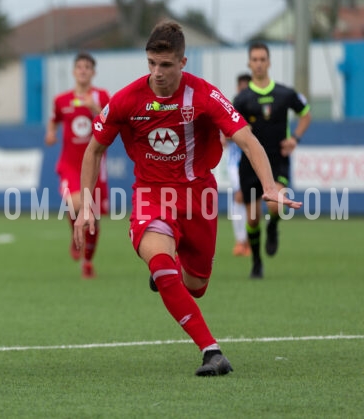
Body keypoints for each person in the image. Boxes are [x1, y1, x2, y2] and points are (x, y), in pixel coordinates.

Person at [74, 21, 301, 376]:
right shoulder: (127, 99)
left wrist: (269, 186)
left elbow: (247, 139)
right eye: (151, 63)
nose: (157, 72)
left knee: (196, 286)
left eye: (166, 65)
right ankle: (212, 351)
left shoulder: (205, 96)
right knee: (161, 264)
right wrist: (87, 204)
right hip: (150, 194)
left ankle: (169, 272)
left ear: (183, 62)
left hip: (199, 197)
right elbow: (94, 151)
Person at [234, 42, 311, 279]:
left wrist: (295, 138)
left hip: (278, 160)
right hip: (249, 164)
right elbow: (230, 128)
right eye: (254, 60)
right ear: (249, 63)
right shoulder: (242, 99)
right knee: (253, 218)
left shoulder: (285, 94)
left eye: (262, 59)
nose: (258, 64)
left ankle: (274, 226)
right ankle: (256, 262)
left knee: (276, 205)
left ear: (269, 62)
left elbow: (305, 114)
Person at [45, 52, 110, 279]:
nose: (83, 71)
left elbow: (111, 121)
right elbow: (54, 119)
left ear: (93, 72)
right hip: (69, 164)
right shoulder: (61, 100)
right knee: (74, 203)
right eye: (79, 67)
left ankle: (88, 262)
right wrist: (51, 132)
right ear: (74, 72)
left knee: (93, 215)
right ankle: (75, 234)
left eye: (87, 67)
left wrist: (95, 109)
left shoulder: (102, 97)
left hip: (94, 164)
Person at [224, 73, 252, 256]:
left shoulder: (257, 106)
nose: (243, 91)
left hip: (252, 159)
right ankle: (241, 241)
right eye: (241, 87)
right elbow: (225, 135)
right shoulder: (232, 107)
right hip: (236, 160)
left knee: (251, 200)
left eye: (246, 87)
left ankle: (247, 241)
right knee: (239, 195)